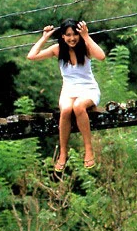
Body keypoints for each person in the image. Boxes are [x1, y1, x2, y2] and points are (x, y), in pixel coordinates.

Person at [27, 19, 106, 171]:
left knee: (78, 107)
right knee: (66, 110)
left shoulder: (85, 47)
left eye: (75, 34)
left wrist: (86, 36)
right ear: (63, 36)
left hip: (88, 89)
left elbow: (101, 56)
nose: (72, 38)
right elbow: (31, 56)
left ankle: (88, 149)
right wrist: (44, 38)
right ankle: (63, 152)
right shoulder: (58, 49)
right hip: (69, 91)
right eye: (68, 35)